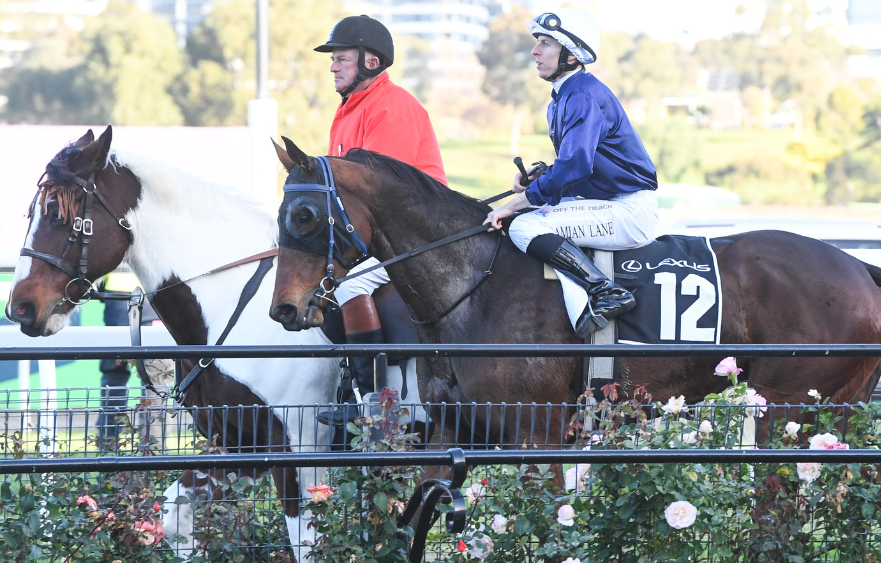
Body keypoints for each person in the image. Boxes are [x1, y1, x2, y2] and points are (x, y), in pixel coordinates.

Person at [484, 9, 659, 338]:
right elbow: (574, 167)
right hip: (613, 204)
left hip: (630, 211)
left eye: (546, 43)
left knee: (524, 225)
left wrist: (516, 203)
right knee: (529, 214)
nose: (535, 51)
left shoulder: (580, 95)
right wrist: (542, 177)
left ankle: (605, 291)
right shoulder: (563, 97)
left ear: (571, 53)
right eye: (537, 42)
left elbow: (577, 164)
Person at [314, 15, 447, 426]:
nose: (333, 66)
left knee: (350, 281)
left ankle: (369, 396)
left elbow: (375, 194)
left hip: (417, 233)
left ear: (370, 61)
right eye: (332, 59)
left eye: (341, 58)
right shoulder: (351, 109)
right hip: (380, 231)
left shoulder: (391, 107)